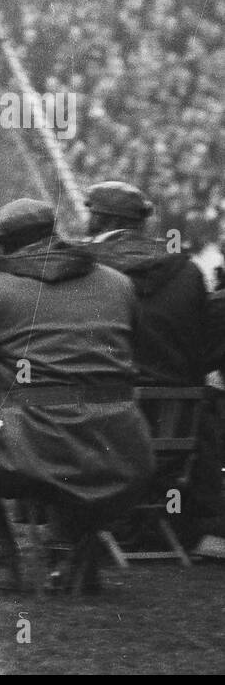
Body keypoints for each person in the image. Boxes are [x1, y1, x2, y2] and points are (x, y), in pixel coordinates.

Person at [0, 198, 154, 594]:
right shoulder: (117, 283)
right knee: (49, 431)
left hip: (42, 442)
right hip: (124, 448)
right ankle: (68, 554)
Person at [83, 181, 225, 558]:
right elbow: (201, 347)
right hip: (175, 425)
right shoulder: (187, 270)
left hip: (106, 419)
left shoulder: (84, 264)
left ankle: (68, 525)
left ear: (100, 218)